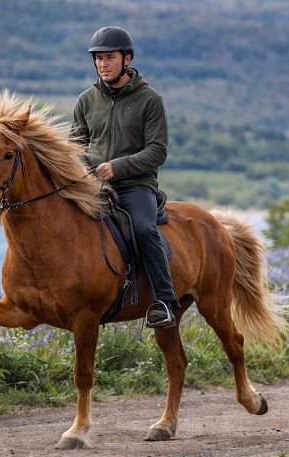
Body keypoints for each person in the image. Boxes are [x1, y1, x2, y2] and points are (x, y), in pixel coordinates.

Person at [72, 25, 178, 328]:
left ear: (126, 59)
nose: (102, 64)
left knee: (144, 230)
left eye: (109, 57)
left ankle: (164, 300)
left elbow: (157, 151)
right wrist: (83, 169)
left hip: (135, 185)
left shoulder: (150, 100)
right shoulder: (86, 101)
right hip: (93, 185)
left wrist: (117, 167)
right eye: (98, 58)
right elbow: (75, 147)